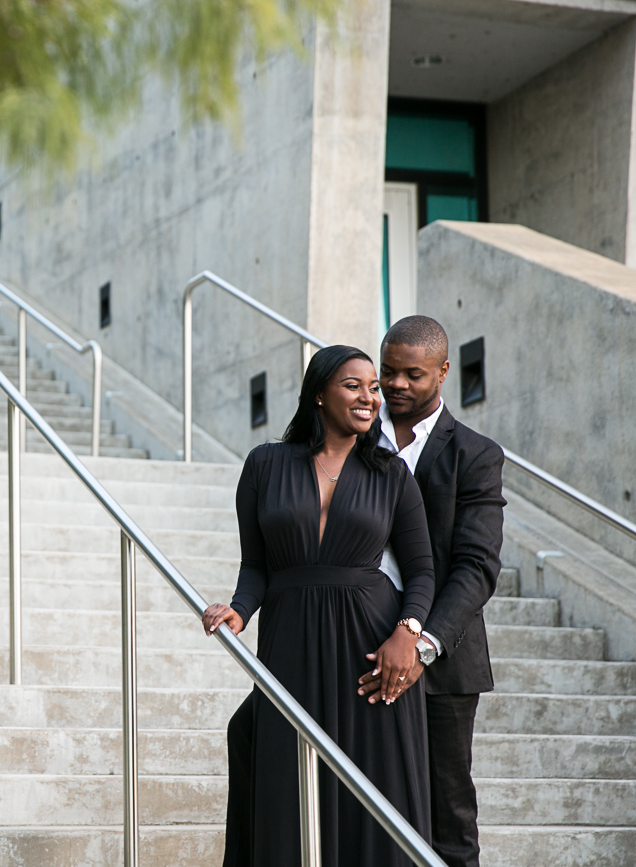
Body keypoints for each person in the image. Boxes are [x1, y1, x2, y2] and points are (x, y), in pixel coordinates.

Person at [203, 344, 436, 867]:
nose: (370, 397)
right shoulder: (265, 464)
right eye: (354, 385)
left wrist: (409, 632)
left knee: (369, 785)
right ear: (318, 395)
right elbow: (256, 564)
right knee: (282, 766)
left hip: (369, 647)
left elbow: (422, 570)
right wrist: (241, 609)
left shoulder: (391, 473)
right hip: (291, 640)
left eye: (374, 388)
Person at [357, 316, 506, 867]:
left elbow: (475, 566)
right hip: (357, 646)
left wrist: (422, 645)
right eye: (387, 372)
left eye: (411, 375)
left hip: (442, 665)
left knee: (448, 814)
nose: (394, 385)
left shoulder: (475, 454)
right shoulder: (349, 440)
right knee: (362, 802)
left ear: (443, 372)